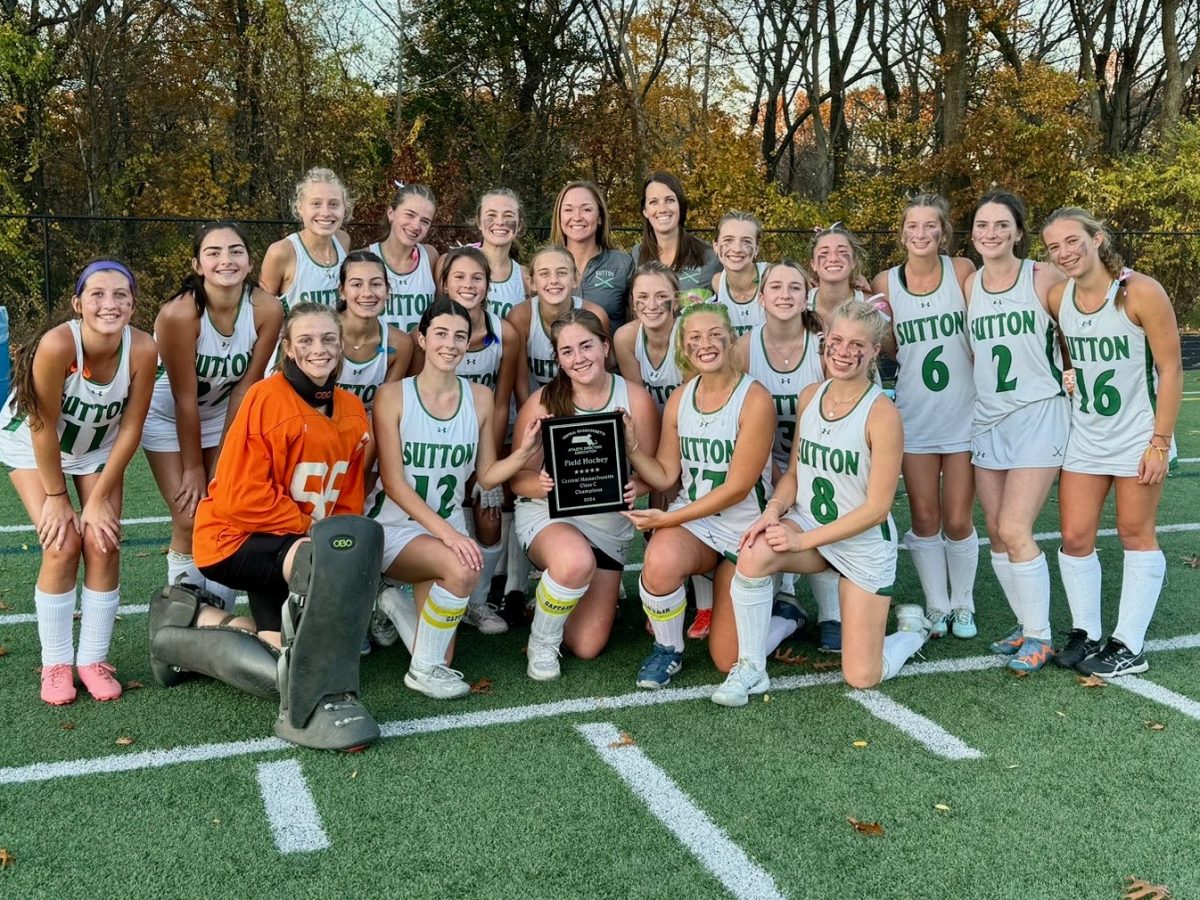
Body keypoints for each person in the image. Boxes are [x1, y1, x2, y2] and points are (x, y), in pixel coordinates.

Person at [152, 302, 383, 750]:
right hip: (233, 538)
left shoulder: (353, 408)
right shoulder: (265, 397)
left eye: (328, 339)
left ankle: (186, 620)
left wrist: (333, 538)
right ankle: (311, 688)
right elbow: (240, 497)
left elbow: (347, 500)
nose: (319, 349)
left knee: (276, 659)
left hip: (287, 546)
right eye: (307, 341)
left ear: (342, 345)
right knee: (319, 561)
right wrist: (310, 532)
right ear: (290, 349)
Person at [714, 300, 928, 706]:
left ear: (874, 352)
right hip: (812, 525)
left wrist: (800, 543)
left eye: (857, 345)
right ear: (824, 341)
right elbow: (794, 473)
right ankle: (751, 668)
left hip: (862, 543)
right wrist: (772, 512)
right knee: (753, 552)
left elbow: (877, 509)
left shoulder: (882, 413)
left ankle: (912, 632)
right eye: (837, 341)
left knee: (862, 676)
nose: (844, 352)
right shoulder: (811, 394)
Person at [0, 259, 157, 705]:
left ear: (133, 304)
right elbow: (42, 426)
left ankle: (92, 659)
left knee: (103, 541)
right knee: (61, 543)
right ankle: (55, 663)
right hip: (32, 444)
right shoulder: (56, 345)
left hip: (95, 450)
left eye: (120, 295)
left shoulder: (143, 348)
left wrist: (100, 497)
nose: (110, 304)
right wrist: (56, 497)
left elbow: (130, 428)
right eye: (98, 295)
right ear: (78, 303)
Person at [372, 298, 544, 698]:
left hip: (440, 529)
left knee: (438, 652)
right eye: (441, 334)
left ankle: (392, 603)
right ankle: (422, 673)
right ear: (422, 338)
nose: (450, 344)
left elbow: (485, 475)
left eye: (460, 336)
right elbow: (394, 484)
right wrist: (449, 536)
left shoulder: (480, 397)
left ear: (469, 344)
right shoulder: (393, 396)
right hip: (395, 526)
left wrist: (521, 453)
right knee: (463, 569)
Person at [1044, 207, 1182, 677]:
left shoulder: (1138, 291)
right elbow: (1069, 351)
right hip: (1087, 434)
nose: (1064, 252)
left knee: (1134, 533)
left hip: (1138, 435)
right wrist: (1068, 373)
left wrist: (1160, 441)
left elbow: (1171, 369)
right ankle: (1085, 632)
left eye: (1072, 241)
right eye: (1054, 247)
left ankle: (1129, 645)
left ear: (1098, 238)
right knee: (1075, 536)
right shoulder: (1058, 296)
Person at [623, 301, 776, 688]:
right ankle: (668, 650)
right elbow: (666, 474)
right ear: (685, 349)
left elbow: (738, 487)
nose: (705, 344)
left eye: (714, 335)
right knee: (658, 558)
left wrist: (668, 519)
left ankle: (785, 617)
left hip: (745, 529)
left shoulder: (755, 399)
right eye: (694, 338)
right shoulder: (680, 397)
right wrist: (632, 449)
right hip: (699, 523)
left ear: (731, 339)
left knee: (727, 661)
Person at [512, 309, 660, 681]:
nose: (579, 358)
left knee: (586, 644)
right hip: (551, 515)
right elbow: (518, 480)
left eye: (586, 346)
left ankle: (554, 593)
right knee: (575, 561)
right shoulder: (543, 401)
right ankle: (542, 643)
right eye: (567, 351)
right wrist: (546, 486)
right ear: (558, 359)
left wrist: (634, 487)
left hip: (607, 524)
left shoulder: (635, 399)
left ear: (605, 346)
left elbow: (653, 474)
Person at [141, 223, 283, 610]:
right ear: (198, 264)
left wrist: (222, 460)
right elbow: (184, 398)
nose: (226, 260)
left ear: (250, 260)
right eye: (214, 252)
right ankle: (181, 612)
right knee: (189, 514)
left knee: (223, 507)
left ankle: (217, 611)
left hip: (224, 414)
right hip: (168, 416)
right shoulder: (179, 314)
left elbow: (245, 388)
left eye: (236, 251)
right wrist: (193, 468)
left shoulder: (268, 308)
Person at [966, 190, 1068, 673]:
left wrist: (1072, 372)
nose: (991, 233)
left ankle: (1042, 636)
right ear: (973, 234)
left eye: (1002, 225)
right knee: (997, 533)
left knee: (1014, 527)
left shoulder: (1043, 275)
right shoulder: (969, 284)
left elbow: (1086, 317)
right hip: (988, 417)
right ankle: (1026, 625)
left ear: (1019, 232)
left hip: (1037, 412)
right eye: (983, 225)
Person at [871, 195, 979, 641]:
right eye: (912, 226)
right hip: (914, 415)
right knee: (924, 516)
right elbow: (890, 346)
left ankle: (964, 603)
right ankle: (937, 604)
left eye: (929, 226)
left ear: (943, 232)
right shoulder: (885, 281)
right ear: (902, 233)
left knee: (957, 518)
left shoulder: (962, 271)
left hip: (963, 412)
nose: (920, 234)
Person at [420, 246, 521, 634]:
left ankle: (477, 602)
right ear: (444, 283)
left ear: (488, 283)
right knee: (443, 510)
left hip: (483, 436)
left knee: (489, 511)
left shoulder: (504, 332)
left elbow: (499, 404)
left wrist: (486, 469)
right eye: (458, 277)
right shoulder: (432, 329)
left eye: (476, 277)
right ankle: (433, 593)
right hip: (440, 438)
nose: (468, 285)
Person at [732, 259, 824, 651]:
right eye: (776, 288)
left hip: (816, 462)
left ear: (807, 297)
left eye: (794, 288)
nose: (785, 295)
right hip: (764, 463)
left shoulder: (823, 347)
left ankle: (830, 608)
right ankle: (782, 598)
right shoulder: (743, 347)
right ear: (762, 298)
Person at [260, 168, 352, 309]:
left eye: (334, 204)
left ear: (344, 208)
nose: (326, 212)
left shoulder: (342, 240)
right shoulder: (281, 252)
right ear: (300, 208)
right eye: (316, 204)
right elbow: (262, 311)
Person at [549, 181, 634, 330]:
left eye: (586, 209)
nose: (577, 217)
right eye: (568, 210)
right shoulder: (545, 265)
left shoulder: (623, 264)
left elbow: (636, 327)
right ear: (559, 217)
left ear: (600, 217)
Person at [361, 182, 439, 333]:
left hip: (419, 355)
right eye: (410, 215)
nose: (416, 226)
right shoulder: (364, 258)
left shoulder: (430, 256)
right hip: (380, 355)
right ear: (391, 213)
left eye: (425, 221)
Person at [631, 173, 721, 293]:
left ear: (680, 206)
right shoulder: (636, 255)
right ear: (645, 211)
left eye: (670, 200)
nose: (662, 209)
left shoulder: (710, 257)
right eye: (654, 202)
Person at [475, 189, 529, 320]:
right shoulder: (454, 265)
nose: (500, 222)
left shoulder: (526, 278)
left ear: (520, 225)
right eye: (491, 215)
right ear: (479, 223)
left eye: (508, 215)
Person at [711, 212, 767, 336]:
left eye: (746, 241)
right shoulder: (718, 283)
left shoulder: (772, 276)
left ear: (756, 249)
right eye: (728, 240)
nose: (737, 249)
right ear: (715, 246)